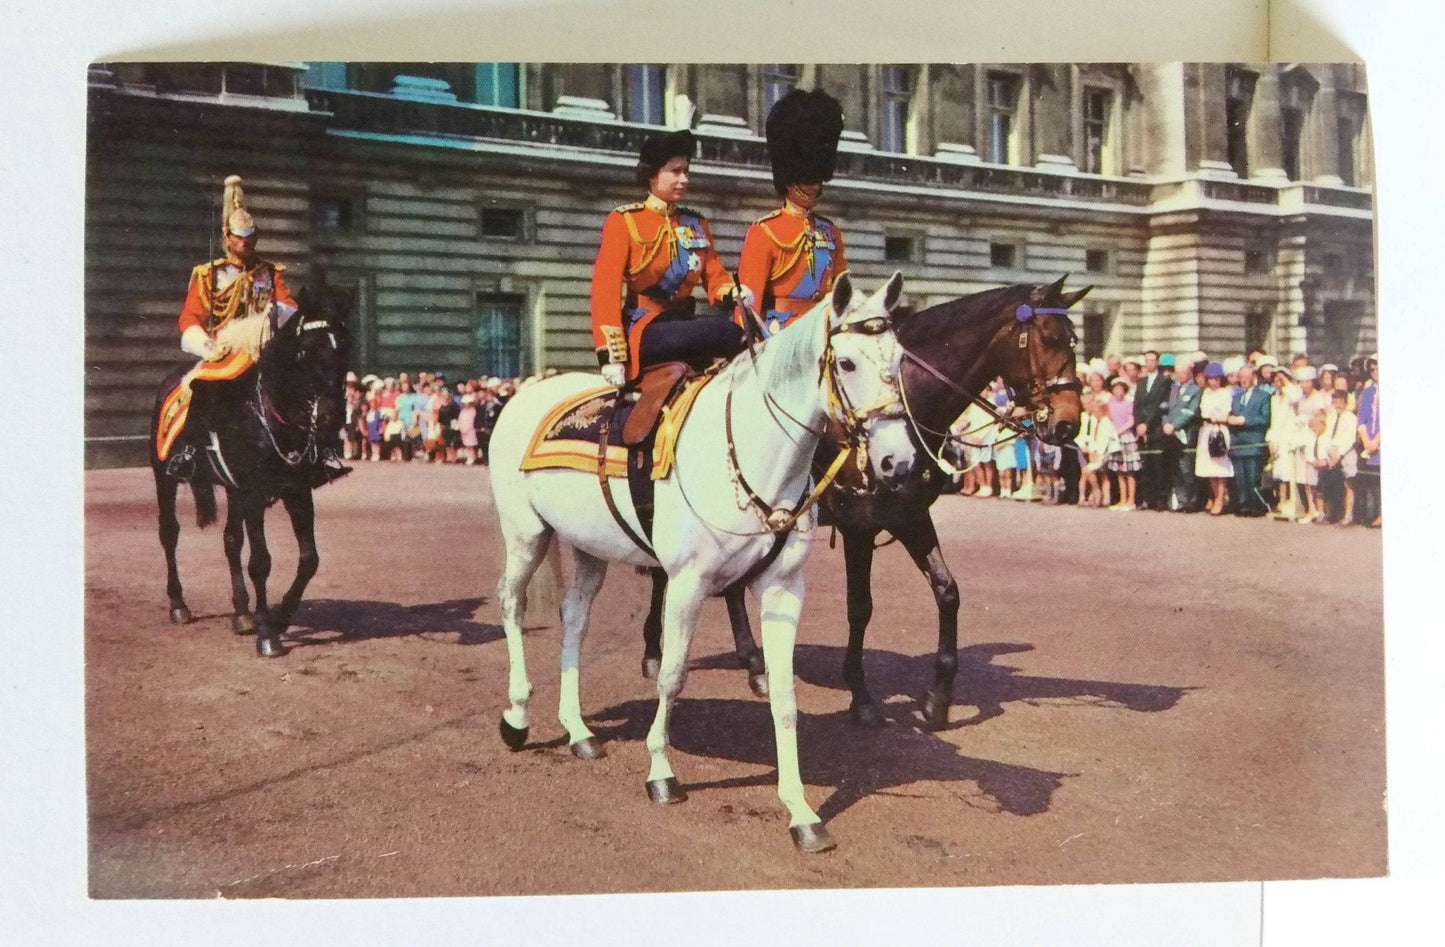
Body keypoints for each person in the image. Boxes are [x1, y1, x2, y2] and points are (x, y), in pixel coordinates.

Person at [165, 174, 347, 485]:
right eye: (240, 237)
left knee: (312, 382)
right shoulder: (209, 275)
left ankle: (323, 451)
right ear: (227, 237)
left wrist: (274, 315)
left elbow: (289, 308)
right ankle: (190, 451)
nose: (246, 243)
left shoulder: (270, 274)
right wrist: (206, 345)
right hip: (225, 349)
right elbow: (189, 318)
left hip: (266, 347)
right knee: (202, 383)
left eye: (251, 237)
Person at [590, 127, 748, 385]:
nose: (684, 179)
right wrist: (612, 355)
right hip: (644, 328)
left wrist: (733, 292)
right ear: (653, 175)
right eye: (675, 172)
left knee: (734, 334)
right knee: (718, 332)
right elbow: (605, 290)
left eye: (686, 171)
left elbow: (715, 276)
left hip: (684, 323)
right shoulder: (625, 221)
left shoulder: (696, 224)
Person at [738, 89, 847, 339]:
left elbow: (841, 290)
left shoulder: (830, 233)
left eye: (818, 178)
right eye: (809, 179)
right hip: (781, 333)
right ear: (789, 181)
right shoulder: (765, 231)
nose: (816, 186)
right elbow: (749, 300)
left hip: (824, 330)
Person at [1227, 361, 1272, 516]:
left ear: (1253, 377)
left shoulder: (1264, 396)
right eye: (1241, 377)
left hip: (1253, 441)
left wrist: (1245, 420)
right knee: (1240, 477)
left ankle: (1256, 505)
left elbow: (1265, 419)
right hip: (1238, 442)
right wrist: (1230, 419)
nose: (1243, 380)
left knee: (1253, 476)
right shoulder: (1236, 397)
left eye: (1246, 376)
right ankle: (1243, 505)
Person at [1163, 357, 1204, 512]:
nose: (1179, 375)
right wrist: (1166, 423)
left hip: (1186, 433)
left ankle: (1191, 501)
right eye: (1177, 372)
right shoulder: (1173, 388)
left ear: (1189, 373)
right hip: (1170, 434)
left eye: (1183, 373)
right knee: (1175, 469)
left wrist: (1175, 425)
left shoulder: (1195, 390)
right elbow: (1165, 408)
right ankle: (1180, 500)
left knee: (1187, 468)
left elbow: (1190, 412)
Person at [1133, 350, 1172, 510]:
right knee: (1146, 465)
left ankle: (1161, 499)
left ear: (1157, 362)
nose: (1149, 363)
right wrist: (1138, 424)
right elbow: (1137, 405)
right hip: (1142, 430)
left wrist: (1146, 424)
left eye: (1152, 360)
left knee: (1158, 465)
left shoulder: (1164, 381)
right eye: (1146, 360)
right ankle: (1148, 498)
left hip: (1156, 427)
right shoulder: (1141, 382)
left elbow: (1158, 406)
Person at [1196, 362, 1234, 515]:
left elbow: (1225, 412)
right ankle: (1216, 496)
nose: (1213, 382)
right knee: (1208, 466)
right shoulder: (1205, 393)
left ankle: (1220, 498)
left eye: (1216, 379)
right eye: (1210, 379)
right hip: (1206, 430)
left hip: (1220, 429)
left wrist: (1217, 416)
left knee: (1220, 465)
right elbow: (1204, 411)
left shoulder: (1225, 393)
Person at [1317, 388, 1358, 525]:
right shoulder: (1330, 416)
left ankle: (1348, 516)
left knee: (1348, 483)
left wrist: (1339, 454)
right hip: (1331, 453)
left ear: (1346, 403)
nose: (1338, 405)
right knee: (1327, 482)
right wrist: (1328, 453)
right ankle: (1328, 514)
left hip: (1346, 452)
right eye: (1335, 402)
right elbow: (1326, 436)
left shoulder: (1351, 418)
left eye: (1341, 402)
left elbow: (1350, 438)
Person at [1104, 376, 1139, 510]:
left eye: (1121, 389)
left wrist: (1119, 430)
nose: (1118, 392)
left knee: (1129, 471)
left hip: (1126, 437)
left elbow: (1131, 421)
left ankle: (1131, 500)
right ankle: (1122, 499)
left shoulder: (1128, 403)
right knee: (1119, 471)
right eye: (1116, 389)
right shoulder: (1110, 404)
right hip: (1114, 438)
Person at [1355, 356, 1381, 527]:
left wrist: (1377, 440)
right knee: (1374, 481)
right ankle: (1378, 513)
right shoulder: (1368, 391)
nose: (1375, 372)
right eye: (1372, 370)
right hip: (1370, 442)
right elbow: (1362, 419)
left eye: (1378, 368)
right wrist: (1367, 441)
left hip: (1380, 441)